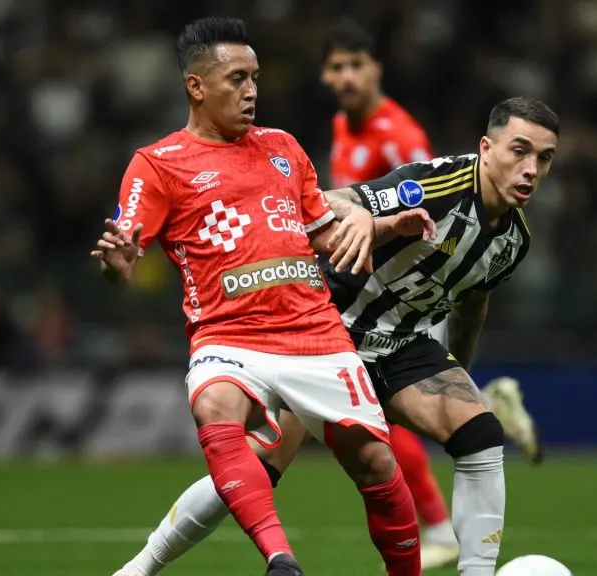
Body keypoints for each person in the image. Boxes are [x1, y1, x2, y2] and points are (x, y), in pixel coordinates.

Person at [117, 96, 559, 576]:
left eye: (544, 157)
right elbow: (330, 202)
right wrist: (365, 217)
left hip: (403, 346)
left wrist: (459, 369)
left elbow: (474, 301)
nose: (531, 168)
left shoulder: (514, 239)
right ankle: (140, 568)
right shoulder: (436, 186)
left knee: (482, 434)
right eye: (520, 150)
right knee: (259, 466)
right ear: (487, 147)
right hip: (330, 332)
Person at [94, 17, 436, 576]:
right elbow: (123, 250)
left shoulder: (283, 148)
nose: (252, 91)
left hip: (316, 334)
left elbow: (325, 232)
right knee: (216, 405)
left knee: (375, 462)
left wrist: (384, 228)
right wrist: (117, 265)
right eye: (236, 79)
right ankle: (281, 560)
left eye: (254, 77)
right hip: (228, 335)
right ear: (196, 87)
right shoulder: (157, 164)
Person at [321, 18, 542, 569]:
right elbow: (336, 201)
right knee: (270, 454)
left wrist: (376, 224)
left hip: (420, 292)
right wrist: (359, 225)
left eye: (356, 66)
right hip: (341, 313)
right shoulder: (345, 128)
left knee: (451, 428)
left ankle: (443, 527)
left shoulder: (402, 138)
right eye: (336, 67)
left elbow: (433, 211)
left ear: (377, 70)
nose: (346, 77)